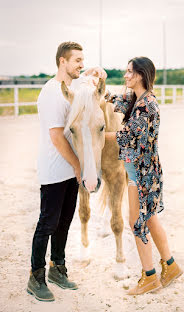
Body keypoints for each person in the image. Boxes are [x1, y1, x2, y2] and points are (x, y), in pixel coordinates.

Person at [27, 41, 107, 302]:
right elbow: (57, 137)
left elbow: (91, 77)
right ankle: (35, 276)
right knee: (47, 224)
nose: (81, 64)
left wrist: (95, 71)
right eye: (77, 60)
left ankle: (57, 269)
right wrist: (77, 165)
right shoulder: (52, 93)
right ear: (62, 61)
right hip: (55, 170)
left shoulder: (73, 88)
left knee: (64, 222)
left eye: (83, 60)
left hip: (72, 170)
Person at [105, 57, 183, 295]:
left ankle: (149, 276)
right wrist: (99, 80)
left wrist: (97, 135)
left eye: (129, 72)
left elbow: (126, 136)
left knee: (136, 223)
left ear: (140, 75)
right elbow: (116, 100)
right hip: (141, 172)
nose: (125, 75)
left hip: (141, 174)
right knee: (149, 220)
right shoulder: (136, 99)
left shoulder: (146, 105)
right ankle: (170, 266)